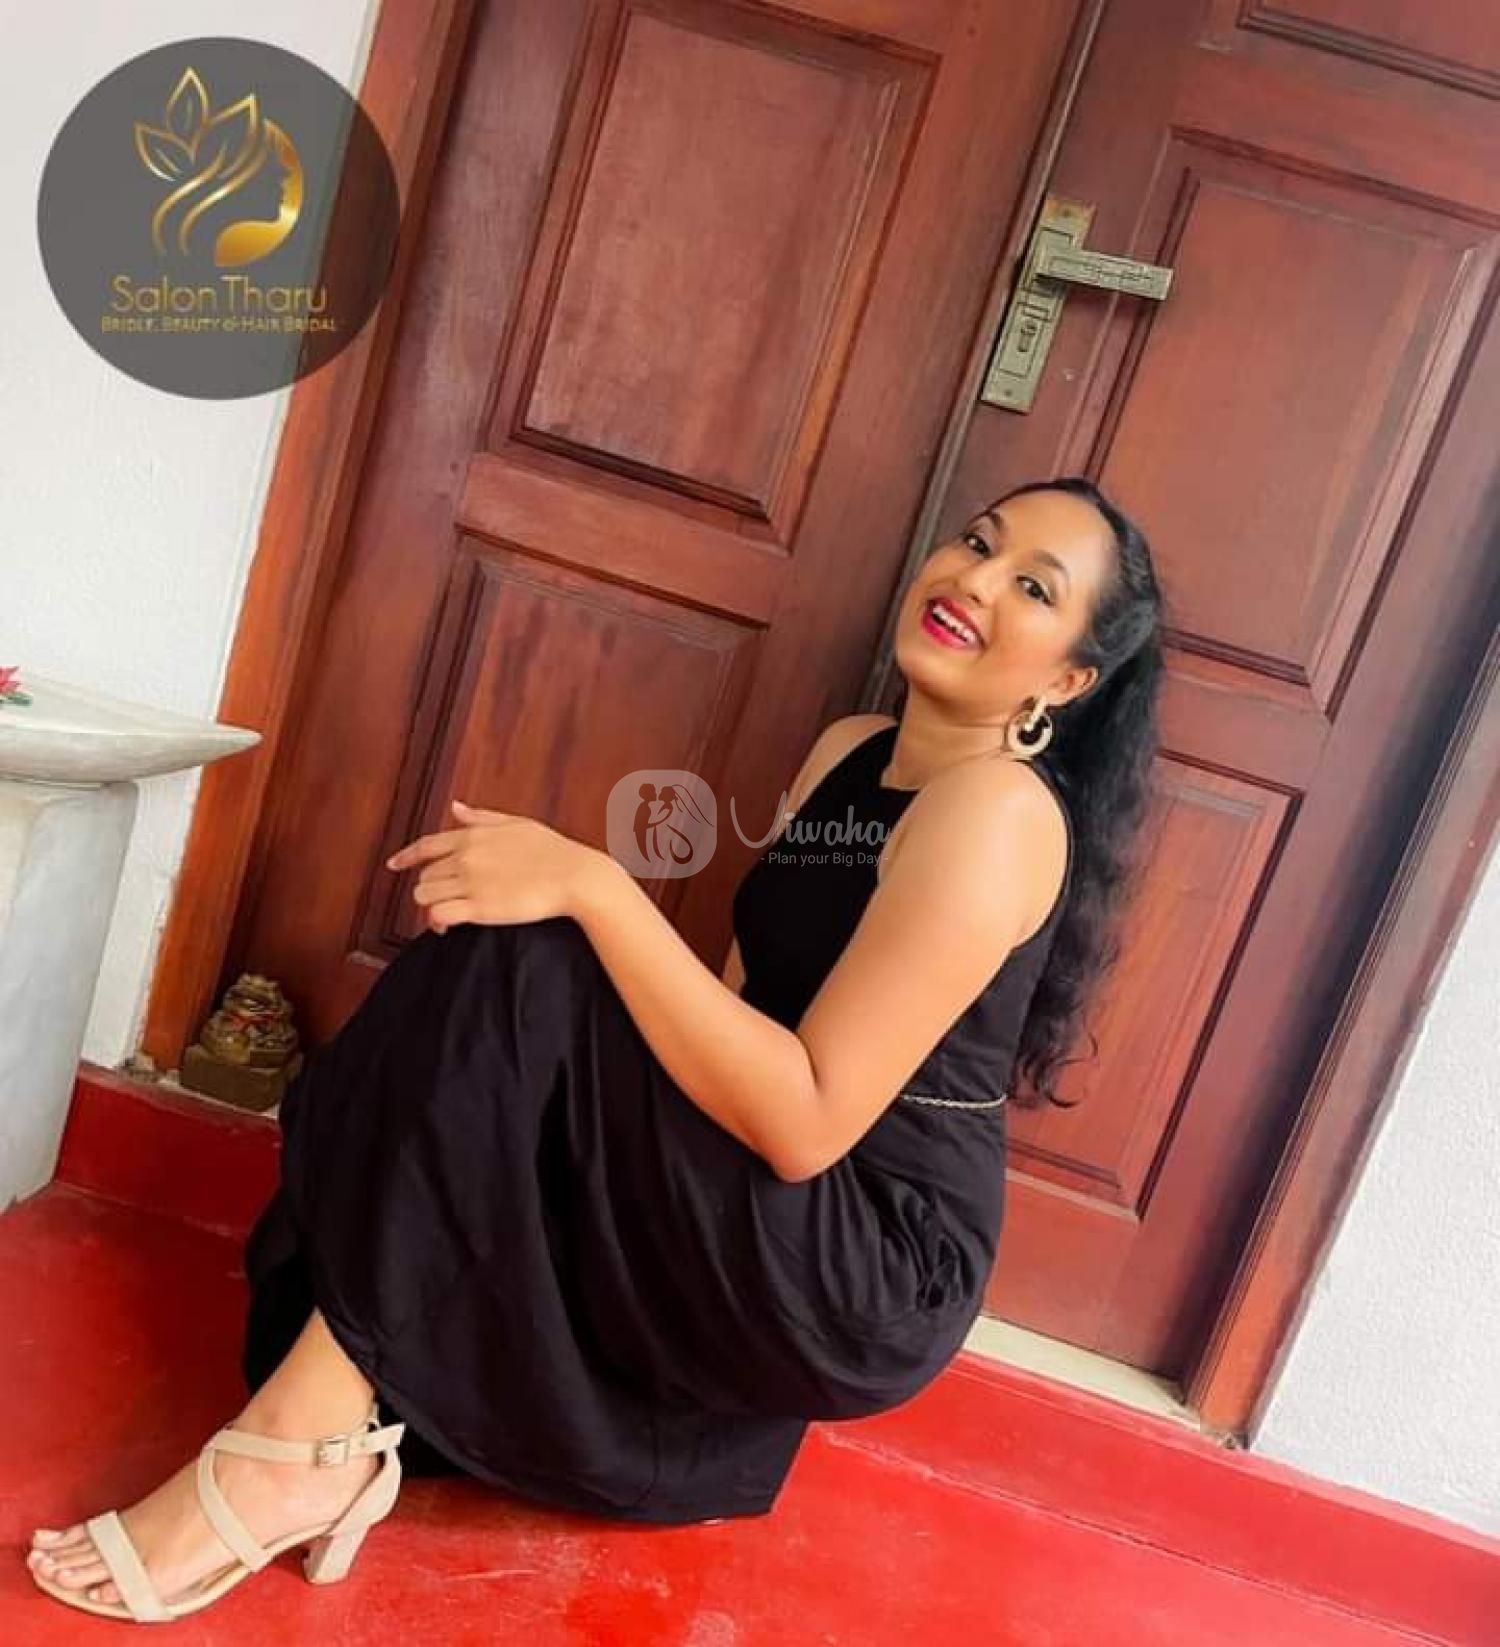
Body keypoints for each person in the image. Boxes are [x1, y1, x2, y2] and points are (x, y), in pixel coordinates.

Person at [25, 477, 1166, 1622]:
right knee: (507, 958)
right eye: (977, 542)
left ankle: (295, 1451)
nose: (974, 580)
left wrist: (596, 887)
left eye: (1033, 588)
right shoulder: (850, 753)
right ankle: (324, 1423)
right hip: (765, 1177)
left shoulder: (996, 812)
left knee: (542, 952)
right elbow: (729, 1019)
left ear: (1067, 681)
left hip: (864, 1257)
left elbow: (808, 1121)